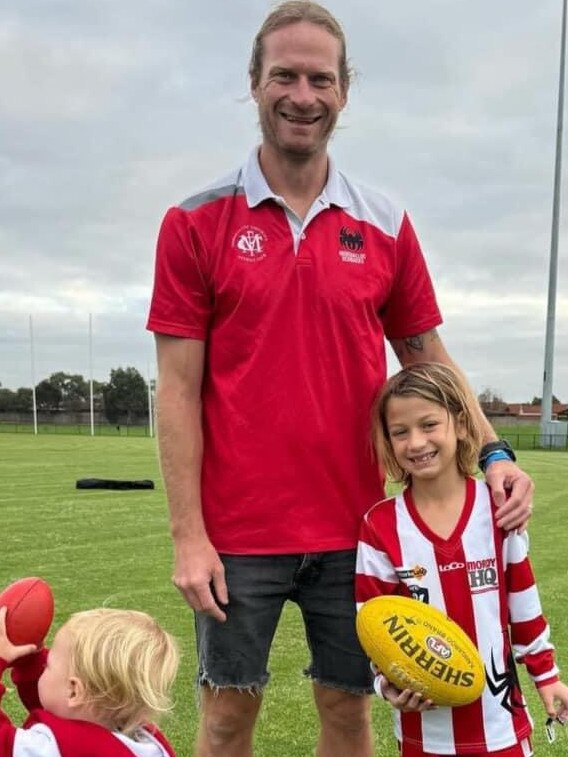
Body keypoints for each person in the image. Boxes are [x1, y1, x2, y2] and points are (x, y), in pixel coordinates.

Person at [146, 2, 534, 755]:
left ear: (344, 92)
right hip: (237, 537)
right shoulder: (194, 221)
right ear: (253, 84)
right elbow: (176, 391)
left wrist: (495, 452)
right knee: (226, 718)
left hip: (360, 530)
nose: (302, 94)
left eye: (320, 78)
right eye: (284, 75)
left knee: (348, 711)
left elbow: (427, 355)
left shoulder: (384, 222)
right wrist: (189, 535)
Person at [355, 362, 568, 757]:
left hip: (501, 724)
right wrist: (386, 684)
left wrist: (548, 677)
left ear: (463, 425)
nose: (416, 443)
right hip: (426, 731)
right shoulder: (380, 525)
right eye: (400, 432)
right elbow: (372, 623)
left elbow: (523, 607)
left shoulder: (499, 509)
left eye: (429, 425)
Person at [0, 606, 179, 757]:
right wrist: (30, 662)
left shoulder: (57, 747)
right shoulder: (149, 742)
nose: (43, 667)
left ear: (74, 691)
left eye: (47, 665)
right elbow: (60, 705)